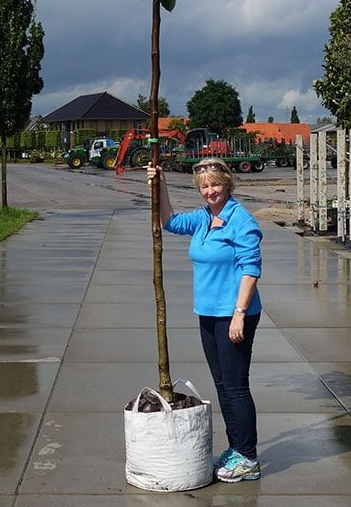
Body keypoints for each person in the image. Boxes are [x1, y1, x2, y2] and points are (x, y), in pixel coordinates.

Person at [147, 158, 263, 483]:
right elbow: (169, 221)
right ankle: (236, 448)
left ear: (227, 183)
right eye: (204, 187)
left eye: (215, 184)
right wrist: (161, 183)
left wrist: (239, 315)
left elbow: (251, 269)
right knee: (223, 385)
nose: (210, 191)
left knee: (237, 387)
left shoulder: (240, 220)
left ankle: (249, 457)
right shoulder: (203, 218)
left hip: (234, 316)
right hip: (209, 315)